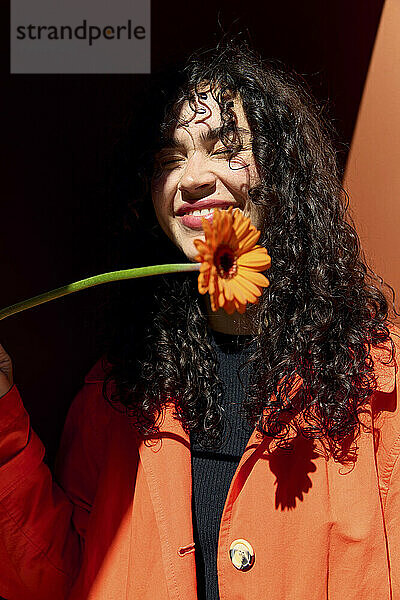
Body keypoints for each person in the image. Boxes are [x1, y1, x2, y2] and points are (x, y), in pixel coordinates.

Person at [0, 39, 399, 600]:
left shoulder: (381, 382)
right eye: (169, 159)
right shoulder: (117, 394)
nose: (191, 178)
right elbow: (57, 580)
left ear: (283, 169)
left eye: (226, 146)